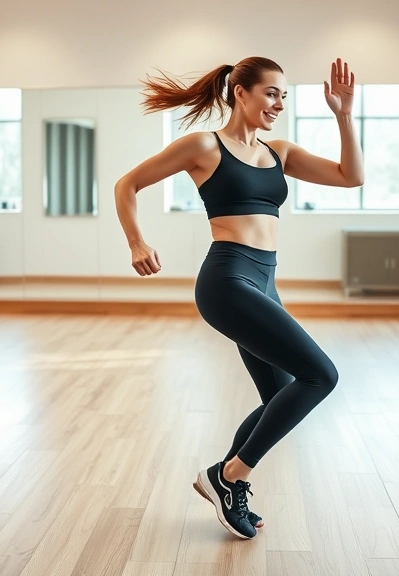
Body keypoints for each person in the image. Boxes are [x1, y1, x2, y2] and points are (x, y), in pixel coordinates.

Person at [114, 56, 364, 539]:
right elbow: (128, 184)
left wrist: (344, 116)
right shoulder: (204, 146)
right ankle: (230, 475)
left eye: (284, 96)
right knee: (321, 375)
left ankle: (226, 482)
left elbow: (350, 177)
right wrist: (136, 242)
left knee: (279, 395)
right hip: (227, 281)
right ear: (240, 92)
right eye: (271, 93)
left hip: (265, 281)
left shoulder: (279, 152)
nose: (279, 104)